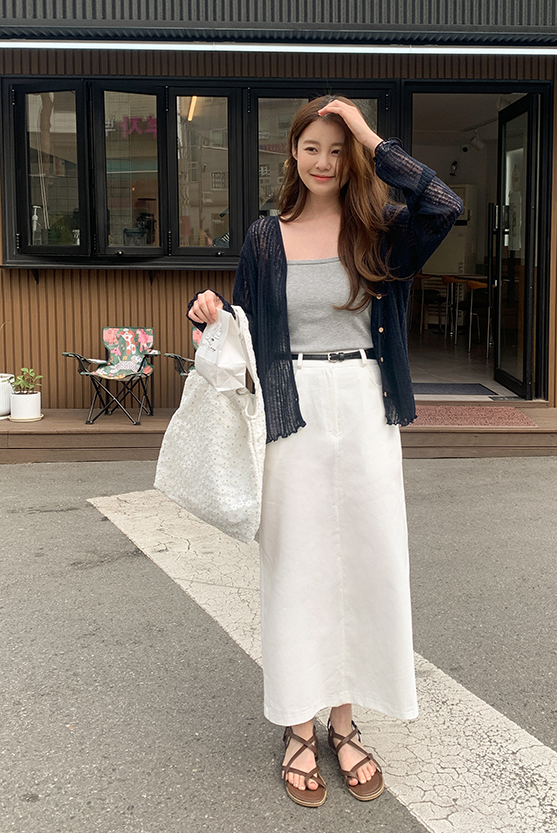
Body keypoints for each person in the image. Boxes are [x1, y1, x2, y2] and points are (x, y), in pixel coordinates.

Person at [188, 96, 462, 808]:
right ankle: (299, 726)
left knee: (368, 566)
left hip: (366, 407)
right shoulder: (264, 236)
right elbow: (245, 334)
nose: (324, 161)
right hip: (293, 411)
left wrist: (372, 137)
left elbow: (443, 203)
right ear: (292, 152)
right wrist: (209, 316)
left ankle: (345, 723)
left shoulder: (381, 229)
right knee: (297, 568)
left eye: (338, 150)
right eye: (313, 147)